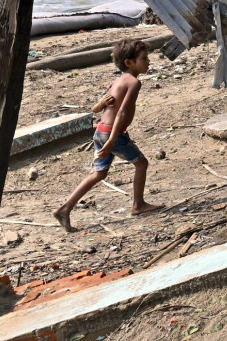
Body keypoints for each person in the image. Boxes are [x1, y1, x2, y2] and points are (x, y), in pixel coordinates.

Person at [54, 38, 162, 231]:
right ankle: (138, 205)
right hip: (113, 133)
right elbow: (121, 112)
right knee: (141, 163)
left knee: (99, 173)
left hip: (100, 130)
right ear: (129, 63)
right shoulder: (134, 82)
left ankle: (65, 208)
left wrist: (102, 106)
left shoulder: (117, 80)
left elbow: (96, 108)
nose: (148, 62)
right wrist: (113, 140)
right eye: (144, 58)